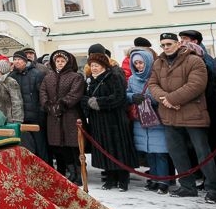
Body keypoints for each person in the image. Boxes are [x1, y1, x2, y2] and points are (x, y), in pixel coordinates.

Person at [150, 32, 216, 203]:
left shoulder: (194, 60)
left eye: (169, 44)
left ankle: (213, 187)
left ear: (178, 44)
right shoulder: (158, 62)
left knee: (203, 153)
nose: (166, 47)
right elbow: (152, 84)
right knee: (177, 153)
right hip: (169, 114)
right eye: (163, 45)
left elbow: (196, 85)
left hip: (192, 114)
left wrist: (172, 99)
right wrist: (165, 100)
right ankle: (187, 186)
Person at [83, 52, 137, 191]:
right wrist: (88, 103)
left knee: (118, 149)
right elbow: (85, 98)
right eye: (92, 65)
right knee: (104, 149)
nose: (94, 68)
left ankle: (123, 179)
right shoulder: (90, 80)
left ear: (104, 66)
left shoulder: (114, 76)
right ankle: (110, 178)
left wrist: (99, 102)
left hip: (115, 120)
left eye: (97, 65)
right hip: (98, 121)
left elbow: (119, 97)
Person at [128, 48, 170, 193]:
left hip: (156, 118)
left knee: (160, 152)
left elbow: (163, 95)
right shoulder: (132, 79)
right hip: (140, 120)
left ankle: (164, 181)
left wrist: (149, 99)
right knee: (149, 152)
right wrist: (133, 97)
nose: (139, 66)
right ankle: (153, 178)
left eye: (141, 63)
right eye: (136, 63)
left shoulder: (156, 76)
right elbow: (126, 94)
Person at [40, 50, 85, 181]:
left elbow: (75, 94)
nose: (60, 63)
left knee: (74, 145)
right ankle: (71, 172)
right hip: (53, 117)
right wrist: (48, 105)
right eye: (57, 61)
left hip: (70, 115)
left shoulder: (75, 77)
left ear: (68, 62)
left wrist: (61, 105)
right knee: (61, 146)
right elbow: (43, 92)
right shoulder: (48, 77)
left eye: (62, 61)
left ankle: (80, 173)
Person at [8, 50, 47, 161]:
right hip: (20, 117)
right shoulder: (12, 76)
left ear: (25, 61)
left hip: (36, 116)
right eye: (15, 59)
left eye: (19, 59)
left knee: (40, 146)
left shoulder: (37, 74)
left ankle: (44, 167)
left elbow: (42, 95)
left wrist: (41, 111)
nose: (16, 62)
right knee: (26, 146)